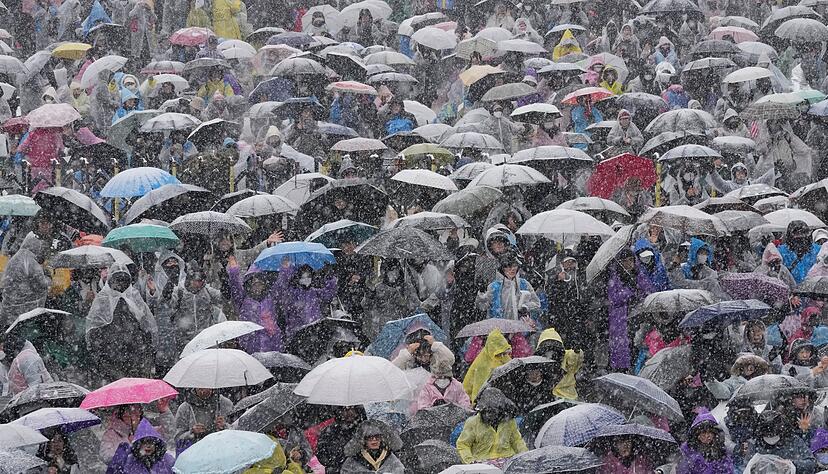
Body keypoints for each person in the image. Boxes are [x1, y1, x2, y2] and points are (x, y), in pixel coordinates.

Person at [86, 262, 157, 383]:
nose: (120, 284)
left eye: (123, 280)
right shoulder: (103, 298)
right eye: (117, 280)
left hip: (134, 351)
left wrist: (146, 347)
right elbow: (94, 326)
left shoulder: (133, 295)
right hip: (110, 353)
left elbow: (146, 322)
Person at [608, 248, 654, 372]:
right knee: (622, 346)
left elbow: (649, 289)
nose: (628, 263)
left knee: (636, 343)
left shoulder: (639, 275)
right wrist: (629, 293)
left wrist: (639, 291)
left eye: (630, 260)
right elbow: (613, 298)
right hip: (621, 317)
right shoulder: (616, 278)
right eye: (625, 261)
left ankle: (635, 367)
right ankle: (622, 369)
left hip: (638, 315)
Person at [456, 387, 528, 463]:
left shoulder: (509, 421)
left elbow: (517, 441)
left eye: (495, 411)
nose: (491, 415)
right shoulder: (473, 423)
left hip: (507, 460)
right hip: (481, 463)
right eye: (489, 411)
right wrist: (470, 461)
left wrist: (525, 456)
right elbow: (463, 444)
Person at [228, 258, 284, 353]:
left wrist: (285, 269)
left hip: (272, 343)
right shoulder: (243, 299)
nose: (257, 287)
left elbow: (281, 285)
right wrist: (233, 271)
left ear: (264, 285)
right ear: (249, 285)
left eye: (260, 284)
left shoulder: (270, 298)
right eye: (254, 284)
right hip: (250, 344)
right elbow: (235, 286)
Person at [0, 232, 50, 329]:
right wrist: (48, 277)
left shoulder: (15, 258)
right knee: (20, 335)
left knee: (9, 332)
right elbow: (42, 284)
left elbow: (5, 281)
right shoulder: (30, 261)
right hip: (23, 308)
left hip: (8, 306)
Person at [477, 252, 540, 322]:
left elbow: (536, 303)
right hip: (498, 327)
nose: (512, 269)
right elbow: (482, 307)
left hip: (521, 327)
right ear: (502, 268)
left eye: (515, 265)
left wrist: (525, 307)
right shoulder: (494, 286)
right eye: (508, 266)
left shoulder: (524, 284)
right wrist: (481, 293)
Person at [748, 410, 817, 474]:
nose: (771, 439)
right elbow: (745, 466)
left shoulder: (793, 441)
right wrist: (757, 467)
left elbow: (811, 463)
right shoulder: (755, 444)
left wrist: (791, 464)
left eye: (774, 435)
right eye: (767, 435)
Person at [173, 388, 233, 454]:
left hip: (222, 452)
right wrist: (192, 433)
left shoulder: (225, 404)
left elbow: (237, 431)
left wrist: (224, 426)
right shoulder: (185, 408)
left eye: (207, 388)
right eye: (200, 388)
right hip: (194, 454)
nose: (203, 391)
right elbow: (177, 438)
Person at [106, 419, 175, 473]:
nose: (148, 446)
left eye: (151, 443)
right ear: (138, 445)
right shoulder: (130, 462)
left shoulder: (167, 460)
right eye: (144, 443)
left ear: (156, 444)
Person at [463, 328, 511, 402]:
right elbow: (474, 385)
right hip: (486, 401)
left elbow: (469, 385)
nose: (502, 355)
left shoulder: (482, 360)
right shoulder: (482, 364)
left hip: (498, 400)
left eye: (503, 353)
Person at [340, 419, 405, 474]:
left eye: (377, 437)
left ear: (381, 439)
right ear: (364, 440)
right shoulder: (353, 460)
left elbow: (400, 471)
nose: (374, 440)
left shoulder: (390, 458)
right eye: (370, 437)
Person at [317, 406, 367, 474]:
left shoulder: (365, 430)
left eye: (352, 409)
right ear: (339, 412)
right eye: (345, 410)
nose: (349, 413)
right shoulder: (329, 432)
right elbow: (322, 456)